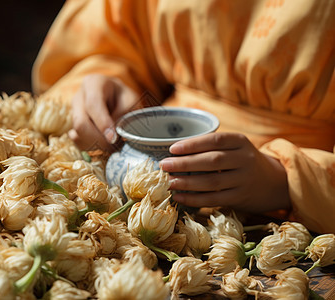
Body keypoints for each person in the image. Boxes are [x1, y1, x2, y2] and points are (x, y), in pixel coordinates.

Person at [32, 0, 335, 234]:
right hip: (138, 177)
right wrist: (113, 83)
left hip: (292, 223)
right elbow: (121, 37)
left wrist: (285, 181)